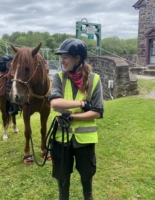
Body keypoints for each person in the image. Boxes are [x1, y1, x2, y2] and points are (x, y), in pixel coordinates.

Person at [48, 38, 104, 200]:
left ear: (77, 58)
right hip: (61, 138)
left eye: (65, 57)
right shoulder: (59, 77)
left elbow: (98, 112)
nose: (62, 61)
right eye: (61, 57)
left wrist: (71, 115)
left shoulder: (94, 79)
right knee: (62, 177)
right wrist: (82, 103)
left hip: (85, 139)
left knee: (87, 176)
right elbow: (55, 103)